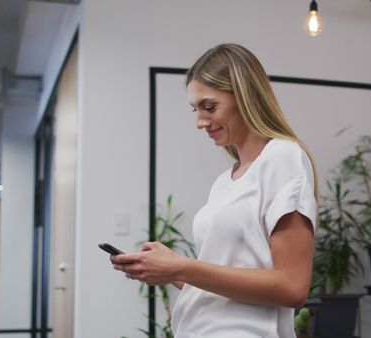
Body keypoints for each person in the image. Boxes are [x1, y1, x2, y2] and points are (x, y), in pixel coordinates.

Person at [111, 43, 319, 338]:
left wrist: (182, 267)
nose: (200, 122)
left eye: (209, 107)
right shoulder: (224, 183)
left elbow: (292, 287)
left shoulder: (283, 157)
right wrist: (171, 270)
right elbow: (224, 289)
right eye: (195, 109)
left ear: (245, 96)